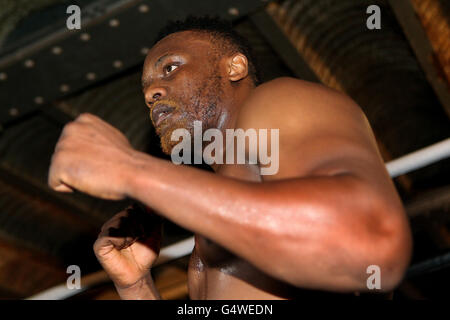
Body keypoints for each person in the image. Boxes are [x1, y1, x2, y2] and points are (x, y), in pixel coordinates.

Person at [48, 16, 412, 299]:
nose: (152, 93)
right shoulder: (221, 212)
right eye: (146, 89)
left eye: (170, 68)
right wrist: (136, 285)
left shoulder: (279, 101)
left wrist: (130, 169)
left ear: (234, 67)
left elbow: (371, 240)